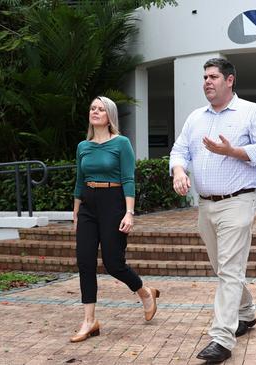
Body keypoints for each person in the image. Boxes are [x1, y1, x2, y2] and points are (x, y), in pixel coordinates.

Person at [169, 58, 256, 363]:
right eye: (204, 77)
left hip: (238, 201)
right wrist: (179, 171)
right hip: (206, 205)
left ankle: (222, 338)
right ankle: (246, 312)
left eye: (213, 76)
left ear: (230, 80)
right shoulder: (195, 118)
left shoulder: (250, 112)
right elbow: (180, 150)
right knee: (223, 268)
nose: (207, 82)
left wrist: (233, 151)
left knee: (229, 270)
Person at [71, 96, 160, 343]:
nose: (95, 112)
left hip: (114, 202)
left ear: (110, 116)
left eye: (101, 109)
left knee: (113, 263)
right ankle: (89, 321)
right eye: (92, 108)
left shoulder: (121, 143)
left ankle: (144, 292)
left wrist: (129, 212)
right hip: (88, 204)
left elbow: (128, 179)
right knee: (85, 262)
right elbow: (79, 180)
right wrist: (76, 212)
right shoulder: (83, 146)